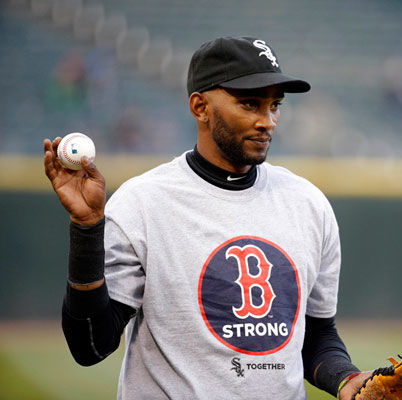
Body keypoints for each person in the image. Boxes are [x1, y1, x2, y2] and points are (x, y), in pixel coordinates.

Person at [43, 36, 372, 399]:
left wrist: (346, 378)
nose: (268, 121)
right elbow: (90, 346)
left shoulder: (308, 204)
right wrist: (88, 229)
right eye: (250, 103)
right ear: (200, 107)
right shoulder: (143, 203)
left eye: (275, 105)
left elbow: (316, 335)